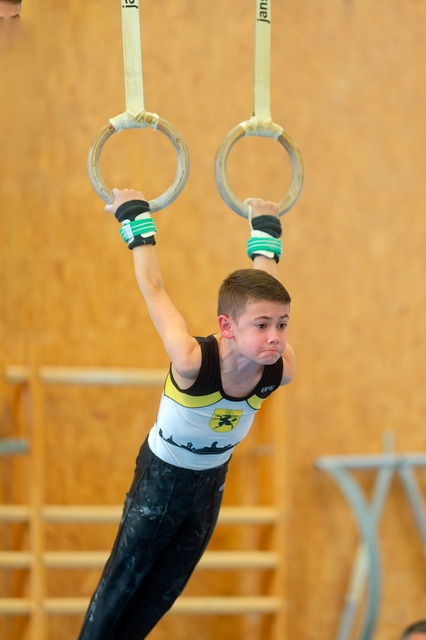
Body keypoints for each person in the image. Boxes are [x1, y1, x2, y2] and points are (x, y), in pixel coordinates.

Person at [77, 188, 296, 640]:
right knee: (122, 584)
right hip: (162, 475)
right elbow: (154, 290)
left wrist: (265, 229)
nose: (275, 336)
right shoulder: (193, 360)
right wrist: (135, 218)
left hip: (211, 482)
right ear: (226, 327)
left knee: (163, 592)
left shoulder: (281, 369)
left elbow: (265, 294)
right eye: (262, 326)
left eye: (282, 325)